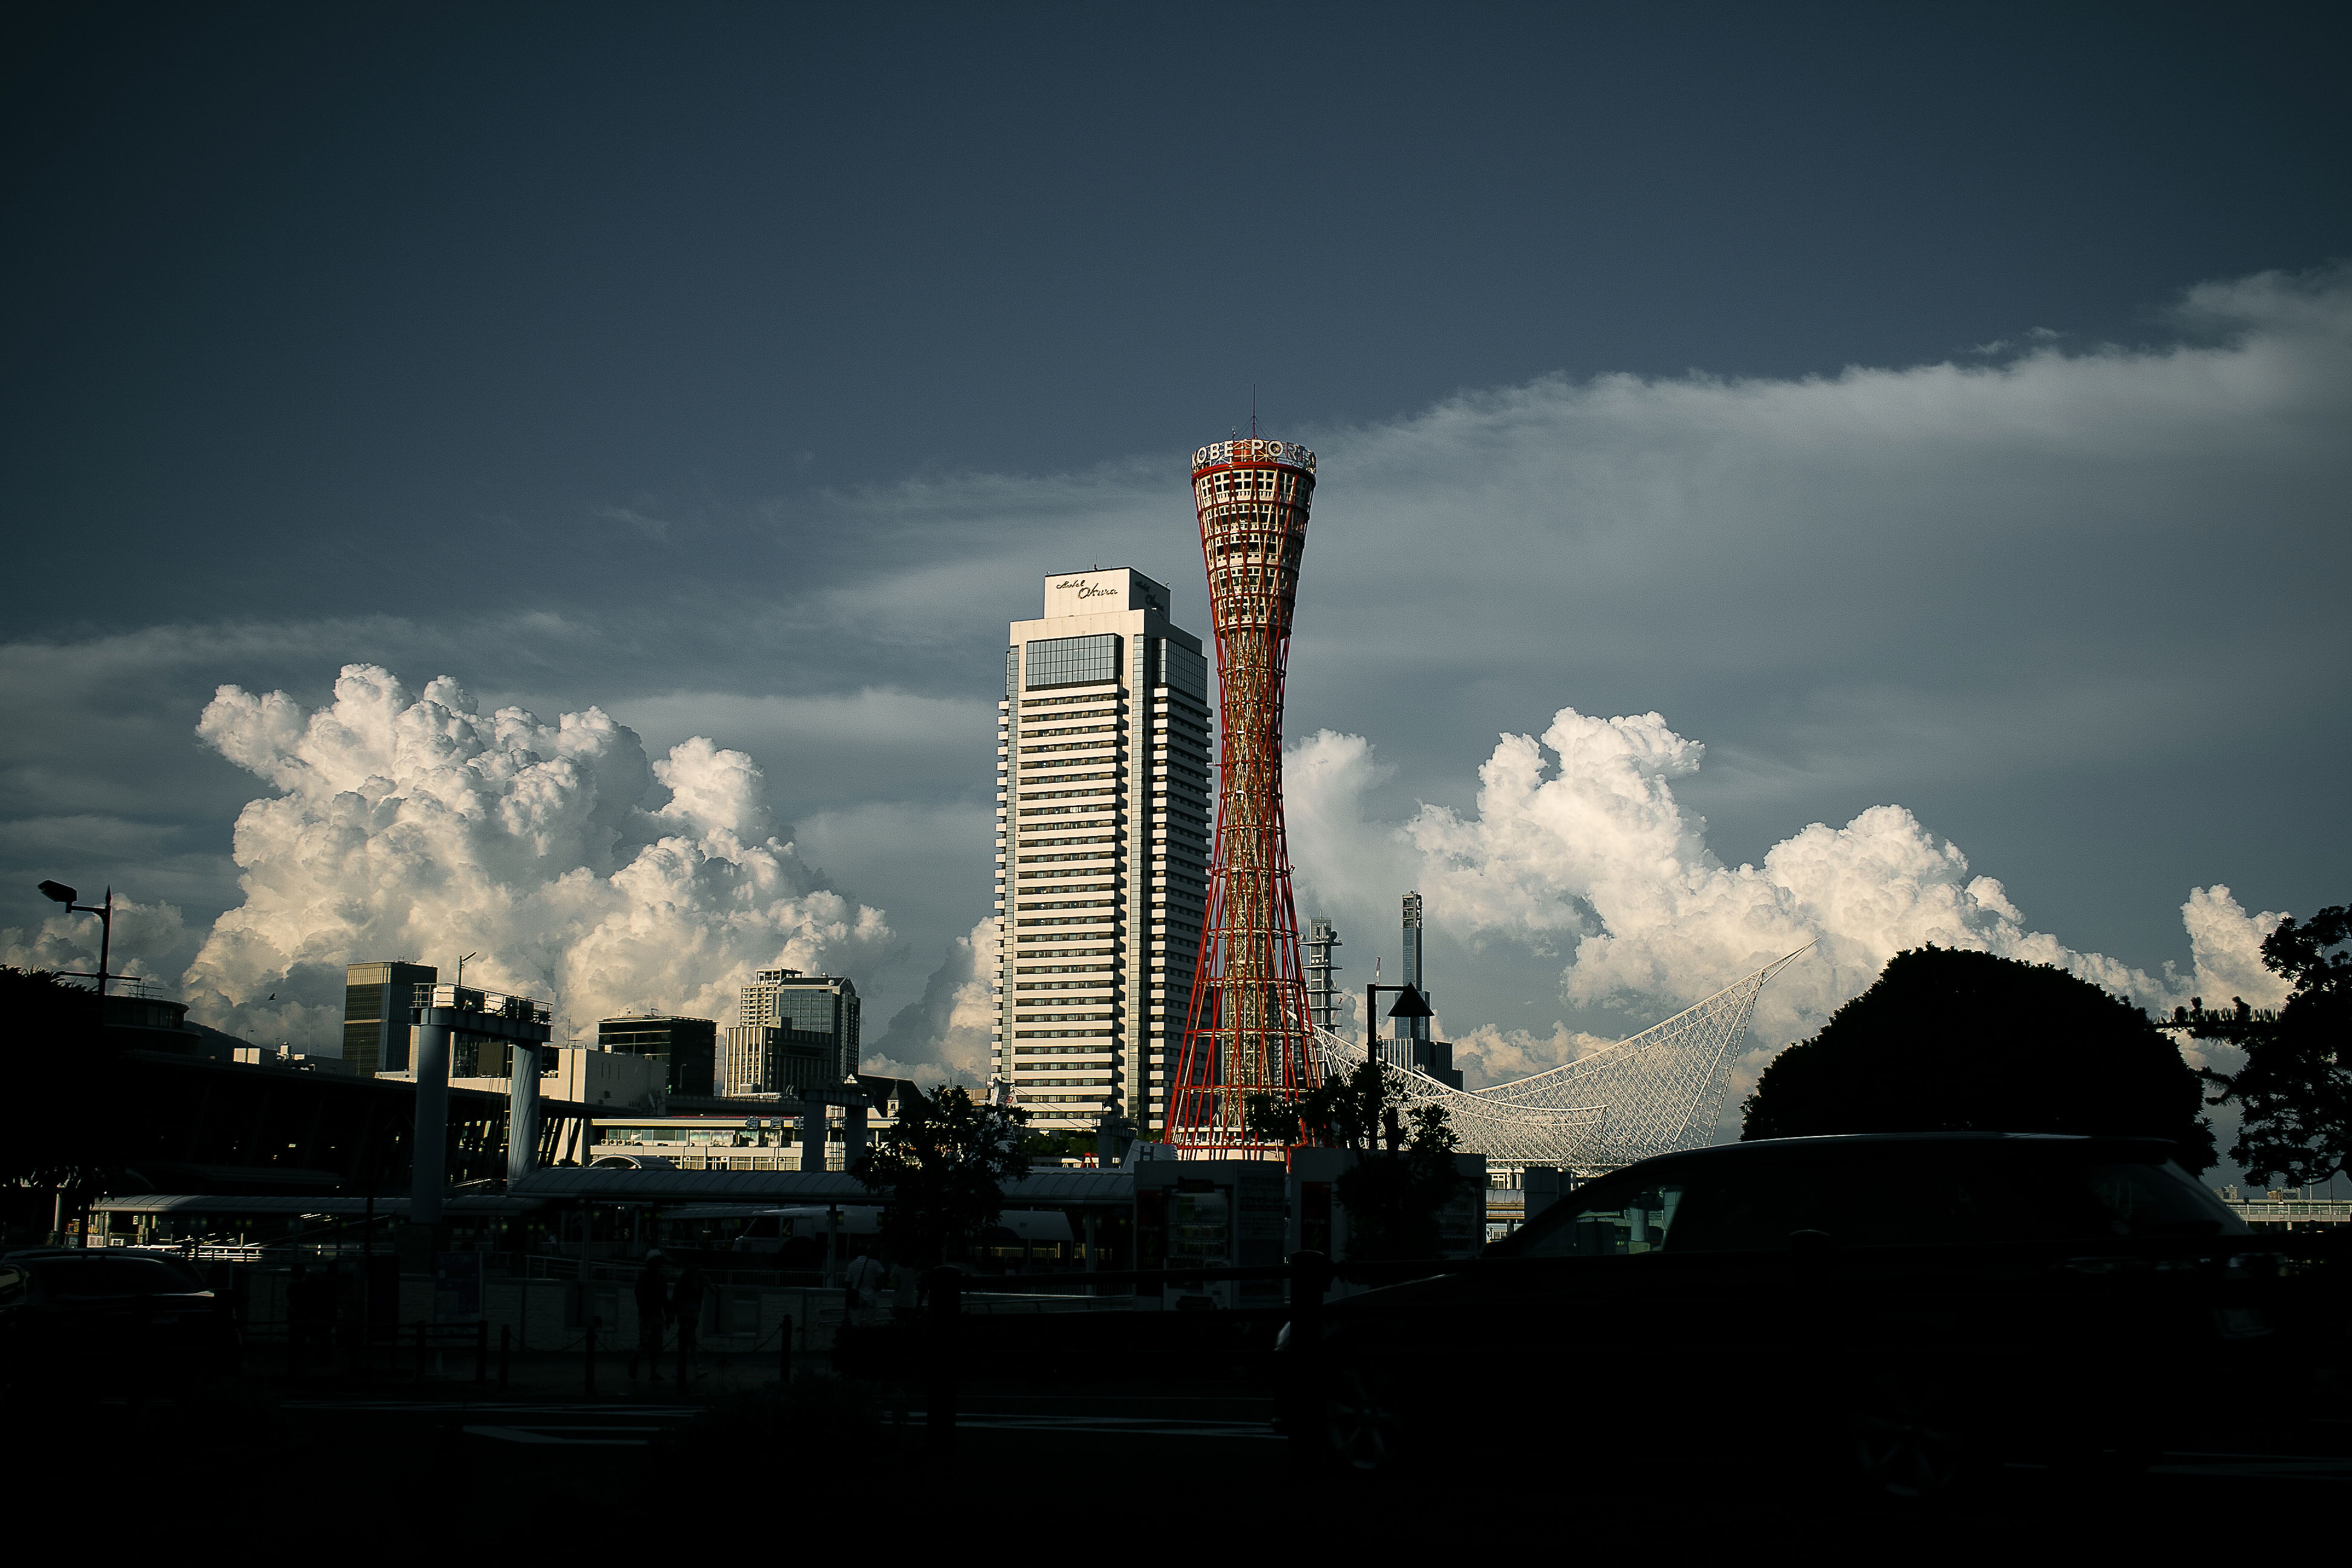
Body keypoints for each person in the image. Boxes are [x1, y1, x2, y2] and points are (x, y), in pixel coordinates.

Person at [629, 1249, 670, 1382]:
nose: (661, 1263)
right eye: (659, 1261)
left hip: (651, 1315)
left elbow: (663, 1299)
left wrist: (668, 1315)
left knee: (653, 1345)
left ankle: (648, 1369)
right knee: (649, 1344)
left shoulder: (647, 1278)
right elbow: (663, 1299)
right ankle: (648, 1370)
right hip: (651, 1315)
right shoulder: (657, 1279)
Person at [670, 1262, 707, 1380]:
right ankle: (695, 1367)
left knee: (687, 1341)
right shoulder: (698, 1279)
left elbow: (676, 1296)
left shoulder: (686, 1279)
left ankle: (681, 1368)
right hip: (690, 1312)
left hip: (685, 1312)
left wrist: (673, 1313)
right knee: (690, 1340)